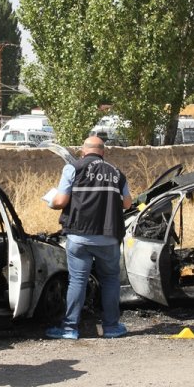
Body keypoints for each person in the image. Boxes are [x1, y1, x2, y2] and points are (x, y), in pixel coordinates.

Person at [45, 136, 132, 340]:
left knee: (77, 281)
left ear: (83, 151)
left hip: (79, 236)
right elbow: (127, 204)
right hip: (109, 237)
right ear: (103, 152)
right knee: (110, 281)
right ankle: (111, 327)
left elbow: (61, 201)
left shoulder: (73, 169)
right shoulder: (117, 173)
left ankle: (69, 329)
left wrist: (51, 202)